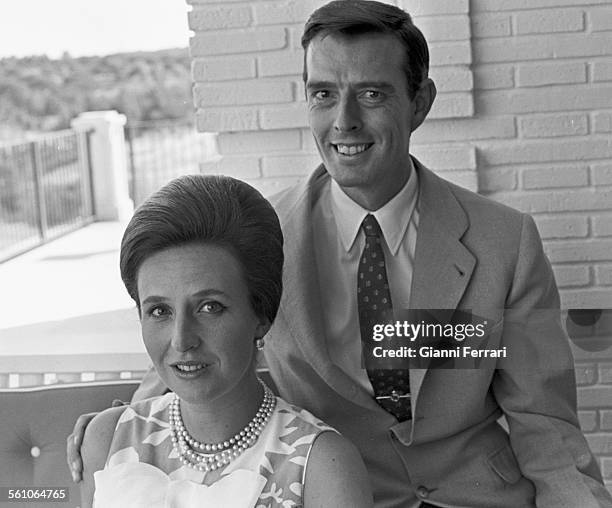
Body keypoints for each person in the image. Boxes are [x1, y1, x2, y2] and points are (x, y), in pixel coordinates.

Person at [69, 1, 612, 506]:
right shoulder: (260, 235)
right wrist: (125, 420)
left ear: (420, 102)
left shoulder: (504, 241)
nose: (344, 121)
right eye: (324, 94)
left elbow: (546, 423)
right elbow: (189, 339)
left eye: (372, 94)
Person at [78, 174, 372, 508]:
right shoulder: (107, 440)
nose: (182, 339)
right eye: (160, 310)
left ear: (261, 315)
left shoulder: (321, 467)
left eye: (209, 307)